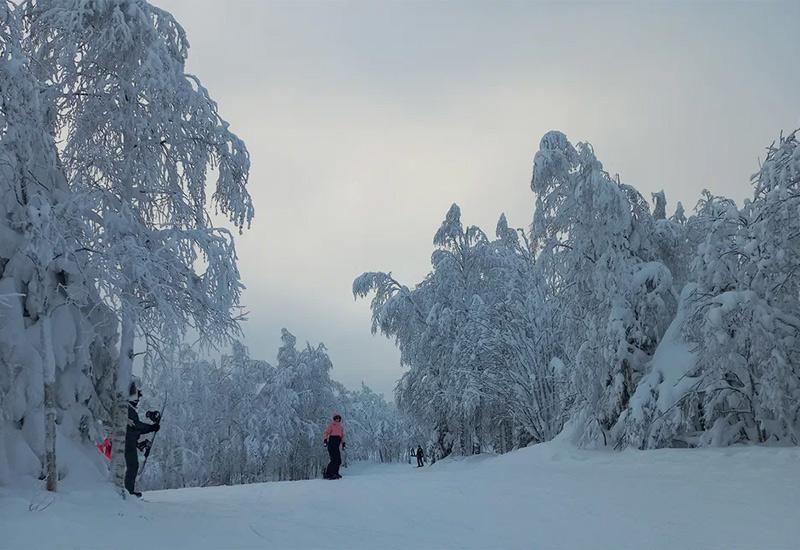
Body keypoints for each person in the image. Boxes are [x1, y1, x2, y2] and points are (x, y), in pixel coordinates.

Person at [125, 381, 159, 497]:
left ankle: (128, 490)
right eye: (137, 399)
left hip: (130, 442)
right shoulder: (128, 410)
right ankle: (128, 491)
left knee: (132, 466)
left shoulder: (129, 409)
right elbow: (136, 425)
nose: (138, 401)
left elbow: (136, 428)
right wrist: (151, 427)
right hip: (127, 443)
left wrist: (151, 428)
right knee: (132, 466)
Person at [323, 413, 346, 480]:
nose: (337, 419)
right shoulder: (331, 425)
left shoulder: (341, 427)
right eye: (336, 418)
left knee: (338, 460)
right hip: (331, 444)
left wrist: (343, 444)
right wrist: (325, 440)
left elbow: (342, 436)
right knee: (334, 459)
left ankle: (335, 472)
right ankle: (328, 474)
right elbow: (326, 433)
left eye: (338, 418)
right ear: (334, 419)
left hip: (337, 445)